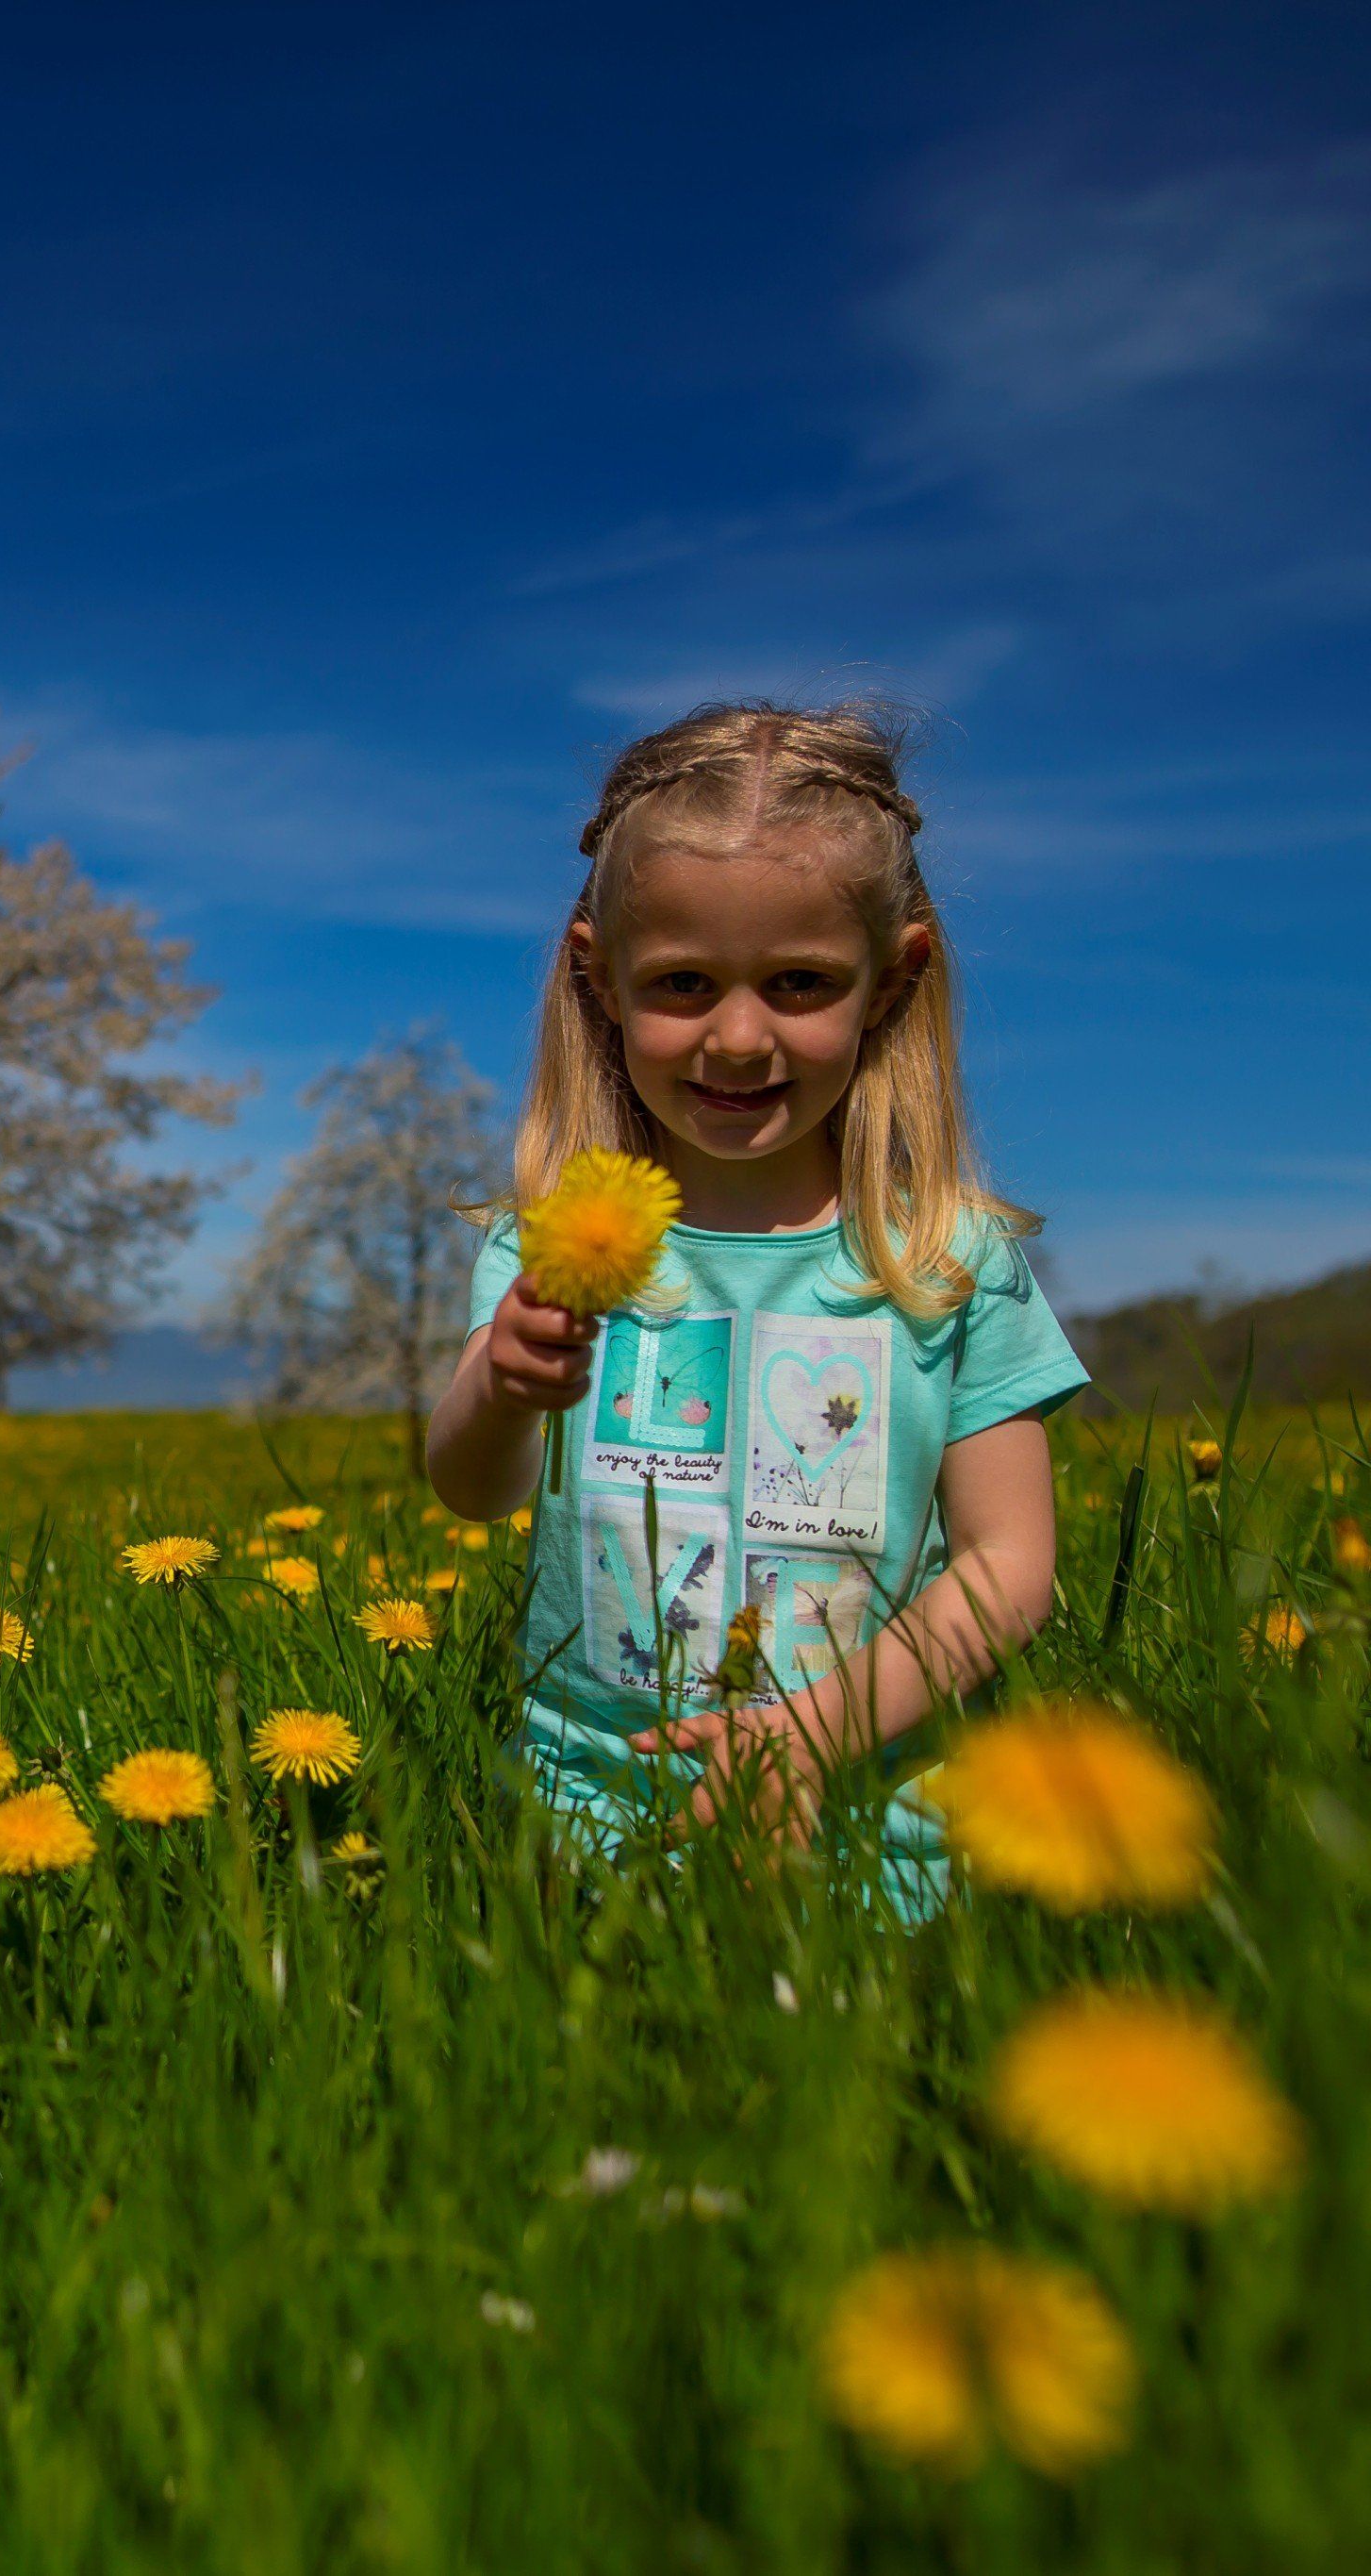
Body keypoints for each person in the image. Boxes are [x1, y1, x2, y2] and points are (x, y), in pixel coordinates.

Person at [424, 703, 1087, 1911]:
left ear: (891, 981)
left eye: (797, 982)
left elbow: (1007, 1567)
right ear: (599, 979)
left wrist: (810, 1737)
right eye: (683, 983)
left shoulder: (943, 1258)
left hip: (868, 1823)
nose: (738, 1036)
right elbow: (473, 1489)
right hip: (584, 1810)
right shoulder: (556, 1240)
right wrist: (500, 1389)